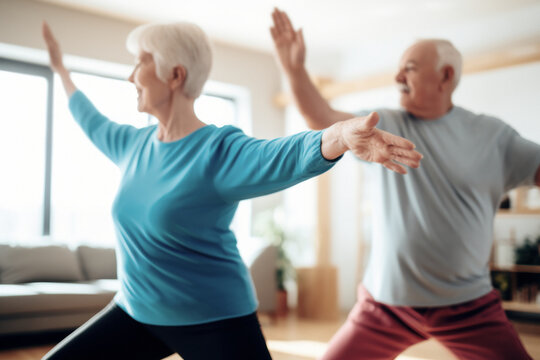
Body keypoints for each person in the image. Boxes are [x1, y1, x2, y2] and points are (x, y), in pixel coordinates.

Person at [40, 19, 422, 360]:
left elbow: (282, 155)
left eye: (140, 62)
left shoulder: (217, 151)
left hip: (214, 318)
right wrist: (60, 67)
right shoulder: (132, 145)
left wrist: (338, 134)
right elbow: (89, 118)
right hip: (136, 311)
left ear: (174, 75)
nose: (131, 77)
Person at [270, 8, 540, 360]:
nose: (397, 75)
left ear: (445, 76)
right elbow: (320, 117)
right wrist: (293, 69)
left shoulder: (492, 135)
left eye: (409, 67)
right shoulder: (384, 122)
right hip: (385, 305)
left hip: (469, 307)